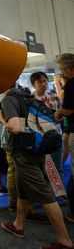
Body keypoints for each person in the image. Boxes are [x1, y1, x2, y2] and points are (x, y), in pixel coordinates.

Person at [0, 81, 74, 249]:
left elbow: (15, 128)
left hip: (24, 153)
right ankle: (18, 225)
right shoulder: (27, 97)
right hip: (37, 149)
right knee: (23, 190)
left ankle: (65, 242)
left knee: (45, 194)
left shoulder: (9, 99)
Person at [31, 71, 64, 181]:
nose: (43, 84)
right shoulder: (30, 100)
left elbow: (62, 118)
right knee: (41, 168)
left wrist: (51, 110)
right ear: (33, 84)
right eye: (39, 82)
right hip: (39, 139)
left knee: (57, 167)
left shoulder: (54, 97)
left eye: (45, 81)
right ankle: (47, 195)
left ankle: (60, 194)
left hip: (55, 136)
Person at [54, 54, 74, 224]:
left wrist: (58, 113)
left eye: (62, 70)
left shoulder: (71, 85)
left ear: (68, 69)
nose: (62, 74)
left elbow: (67, 110)